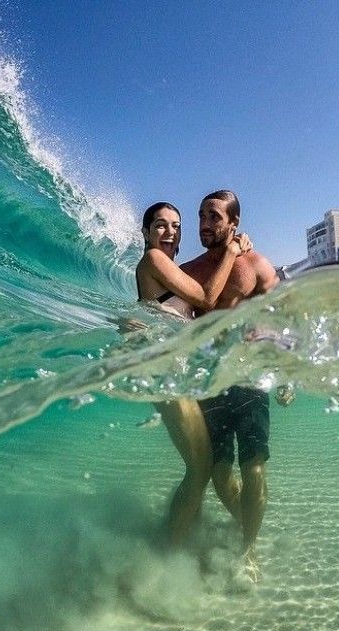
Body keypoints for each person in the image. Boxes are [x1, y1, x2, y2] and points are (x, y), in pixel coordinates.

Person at [135, 201, 252, 547]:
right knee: (200, 468)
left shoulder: (171, 269)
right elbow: (206, 296)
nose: (170, 232)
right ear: (145, 233)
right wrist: (231, 249)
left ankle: (185, 538)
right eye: (160, 225)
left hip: (179, 373)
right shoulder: (154, 260)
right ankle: (169, 554)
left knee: (203, 467)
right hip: (163, 373)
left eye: (176, 225)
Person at [181, 190, 279, 581]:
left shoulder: (255, 264)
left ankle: (248, 550)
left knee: (253, 466)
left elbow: (281, 314)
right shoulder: (189, 270)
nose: (205, 224)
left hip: (250, 376)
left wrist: (281, 369)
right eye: (201, 216)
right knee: (220, 473)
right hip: (210, 380)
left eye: (214, 217)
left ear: (233, 224)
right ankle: (246, 525)